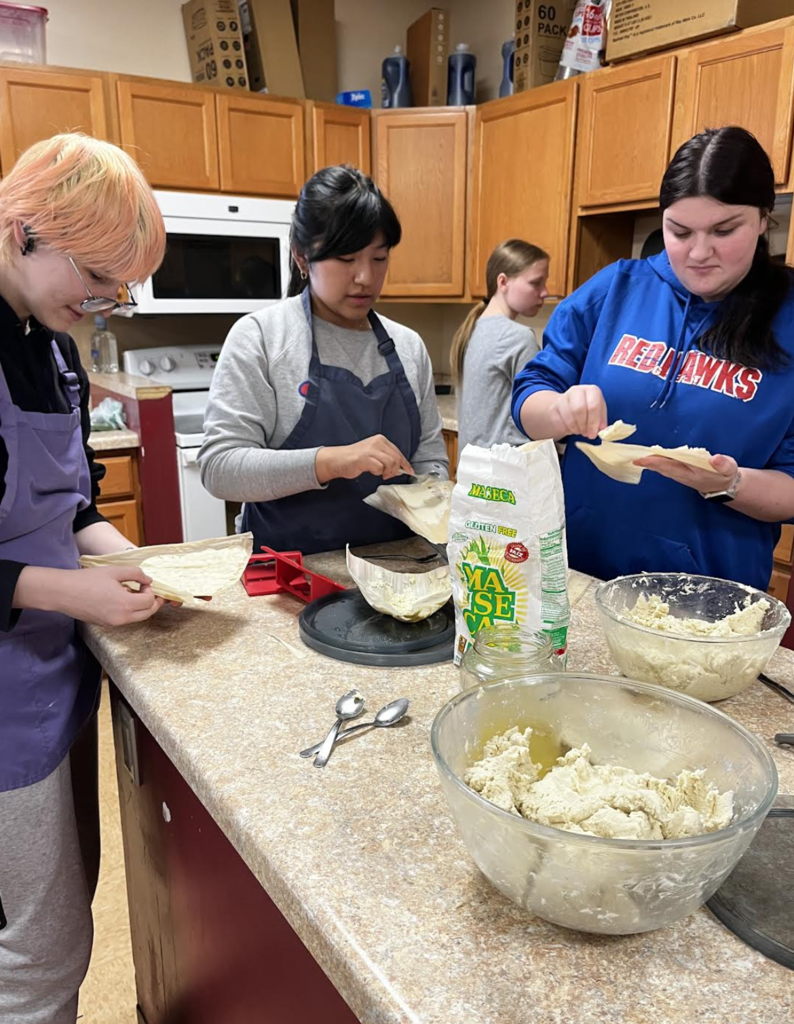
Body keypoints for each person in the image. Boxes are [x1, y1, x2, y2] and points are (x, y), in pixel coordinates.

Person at [0, 133, 167, 1024]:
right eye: (97, 277)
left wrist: (137, 567)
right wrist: (74, 592)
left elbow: (69, 506)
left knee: (65, 901)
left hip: (52, 672)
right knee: (38, 948)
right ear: (26, 233)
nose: (106, 302)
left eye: (118, 286)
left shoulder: (58, 348)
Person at [512, 126, 794, 591]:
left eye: (725, 230)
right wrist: (558, 410)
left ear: (764, 218)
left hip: (708, 598)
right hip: (582, 574)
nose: (699, 252)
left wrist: (726, 483)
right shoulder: (616, 290)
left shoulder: (786, 317)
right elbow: (528, 399)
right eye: (679, 232)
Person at [200, 164, 448, 555]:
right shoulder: (263, 338)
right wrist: (331, 461)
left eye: (379, 258)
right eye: (347, 259)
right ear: (302, 256)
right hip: (289, 575)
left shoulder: (409, 346)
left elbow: (430, 459)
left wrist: (433, 497)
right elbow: (220, 468)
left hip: (398, 574)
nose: (366, 277)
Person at [451, 239, 549, 455]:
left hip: (474, 473)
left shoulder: (471, 329)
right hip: (506, 476)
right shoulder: (518, 337)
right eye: (536, 283)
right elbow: (538, 416)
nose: (545, 292)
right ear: (503, 282)